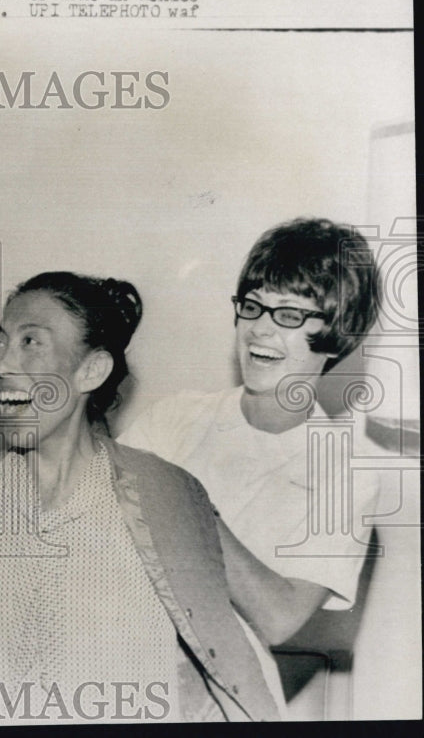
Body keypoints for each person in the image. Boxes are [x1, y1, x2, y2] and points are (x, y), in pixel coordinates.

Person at [0, 272, 280, 723]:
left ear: (91, 370)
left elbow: (222, 671)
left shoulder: (165, 497)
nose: (1, 364)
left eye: (30, 342)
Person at [119, 217, 382, 709]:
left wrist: (185, 501)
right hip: (115, 656)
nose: (259, 327)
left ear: (336, 331)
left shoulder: (348, 471)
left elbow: (279, 616)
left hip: (224, 693)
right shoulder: (175, 417)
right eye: (253, 305)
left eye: (288, 314)